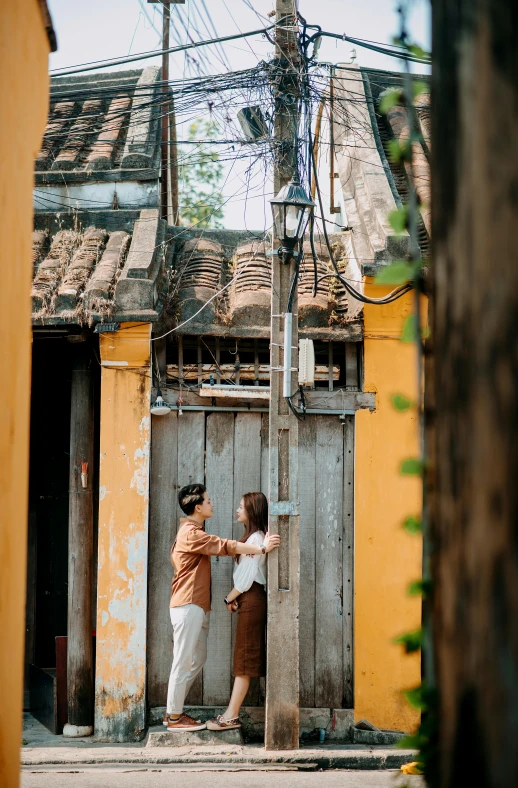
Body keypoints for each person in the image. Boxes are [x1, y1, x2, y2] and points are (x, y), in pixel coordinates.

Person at [165, 483, 280, 732]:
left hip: (194, 604)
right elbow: (225, 546)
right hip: (188, 603)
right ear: (198, 507)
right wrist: (261, 548)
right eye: (208, 500)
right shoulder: (192, 533)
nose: (212, 503)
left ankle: (174, 710)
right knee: (184, 660)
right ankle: (174, 716)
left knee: (197, 657)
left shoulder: (192, 531)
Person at [207, 492, 269, 731]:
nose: (237, 510)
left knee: (245, 659)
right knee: (244, 657)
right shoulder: (253, 537)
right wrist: (236, 598)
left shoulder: (255, 538)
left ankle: (231, 716)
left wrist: (228, 597)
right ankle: (230, 714)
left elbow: (245, 579)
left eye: (241, 507)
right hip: (249, 598)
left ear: (252, 511)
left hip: (252, 598)